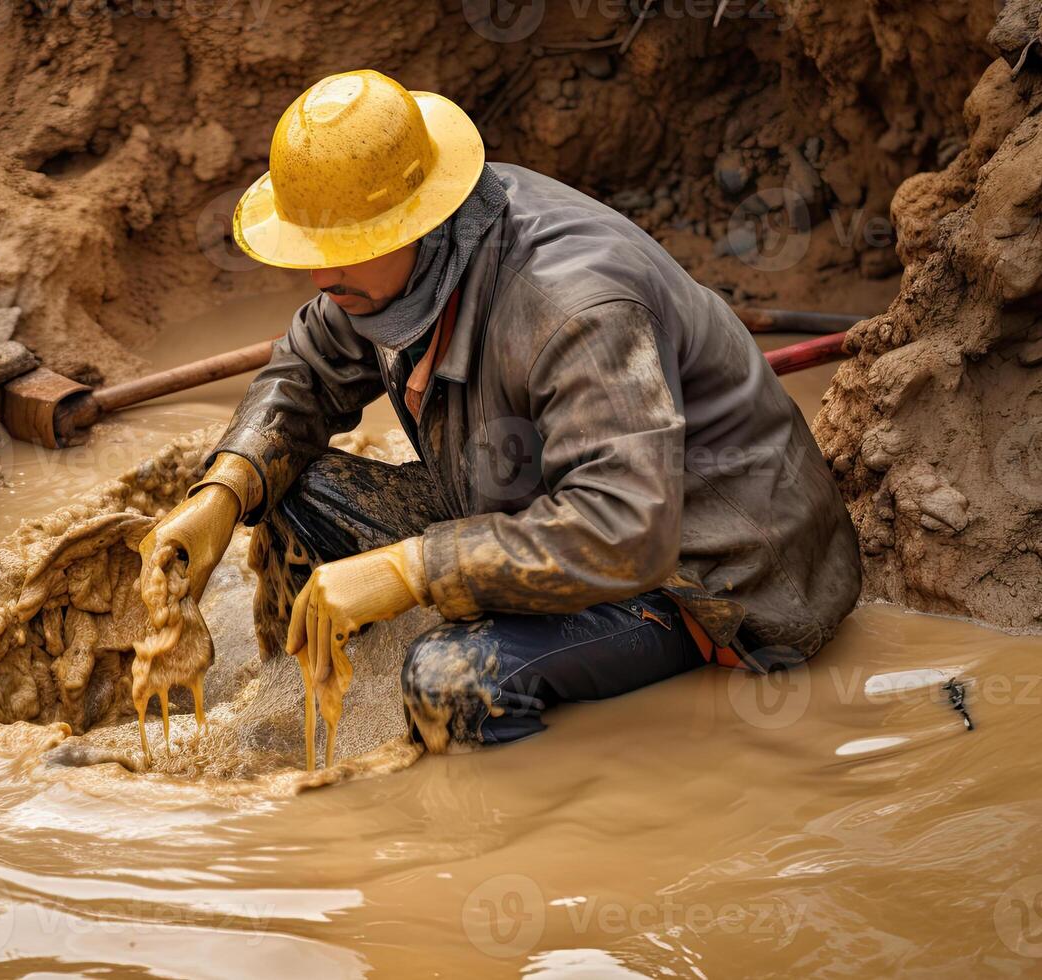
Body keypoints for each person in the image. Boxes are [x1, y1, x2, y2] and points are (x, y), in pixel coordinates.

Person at [137, 69, 861, 752]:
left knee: (449, 684)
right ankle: (315, 689)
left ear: (416, 220)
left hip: (703, 578)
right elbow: (307, 368)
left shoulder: (573, 308)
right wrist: (223, 492)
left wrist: (408, 570)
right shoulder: (394, 271)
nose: (323, 276)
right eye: (314, 249)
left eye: (345, 250)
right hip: (533, 507)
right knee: (292, 492)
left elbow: (624, 534)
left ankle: (552, 798)